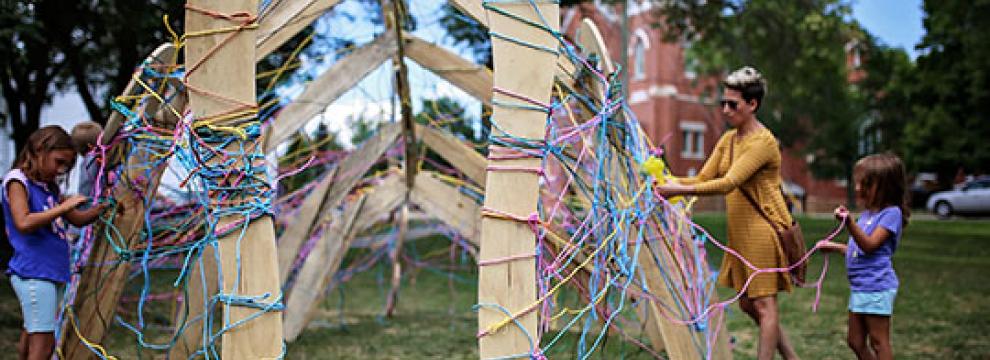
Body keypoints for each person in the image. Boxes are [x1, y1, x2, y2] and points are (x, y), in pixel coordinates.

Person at [655, 66, 798, 360]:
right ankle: (792, 358)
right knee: (749, 304)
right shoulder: (729, 139)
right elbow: (702, 179)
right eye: (723, 102)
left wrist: (676, 191)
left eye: (732, 104)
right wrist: (668, 182)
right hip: (741, 230)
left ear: (752, 104)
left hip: (762, 229)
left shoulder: (763, 142)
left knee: (764, 305)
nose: (725, 109)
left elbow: (729, 182)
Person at [3, 126, 107, 360]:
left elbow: (77, 220)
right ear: (40, 150)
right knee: (43, 346)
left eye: (67, 167)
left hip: (50, 273)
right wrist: (63, 207)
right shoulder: (17, 181)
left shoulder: (48, 186)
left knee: (32, 336)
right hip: (34, 274)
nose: (61, 171)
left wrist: (102, 209)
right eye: (58, 162)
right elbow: (23, 222)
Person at [818, 153, 909, 360]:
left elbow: (869, 246)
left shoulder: (891, 214)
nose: (858, 188)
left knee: (878, 342)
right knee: (855, 341)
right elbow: (858, 251)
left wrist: (849, 223)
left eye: (865, 183)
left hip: (877, 287)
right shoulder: (867, 215)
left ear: (886, 186)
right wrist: (834, 247)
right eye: (857, 182)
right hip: (860, 287)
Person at [70, 121, 103, 197]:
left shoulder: (89, 160)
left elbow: (85, 184)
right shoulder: (103, 157)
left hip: (96, 203)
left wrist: (82, 203)